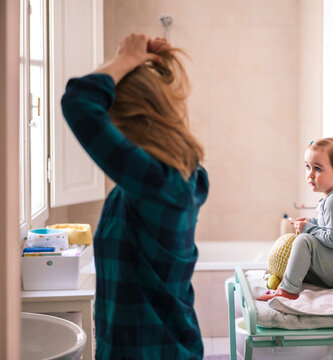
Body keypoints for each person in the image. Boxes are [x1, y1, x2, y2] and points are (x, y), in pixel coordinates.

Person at [61, 34, 208, 359]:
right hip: (154, 345)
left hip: (151, 351)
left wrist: (125, 60)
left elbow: (79, 101)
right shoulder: (171, 179)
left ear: (129, 121)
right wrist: (123, 60)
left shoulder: (157, 184)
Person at [258, 137, 333, 301]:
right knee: (302, 260)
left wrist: (308, 229)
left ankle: (288, 290)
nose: (310, 174)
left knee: (304, 241)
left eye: (317, 169)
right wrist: (313, 223)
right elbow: (330, 228)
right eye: (308, 167)